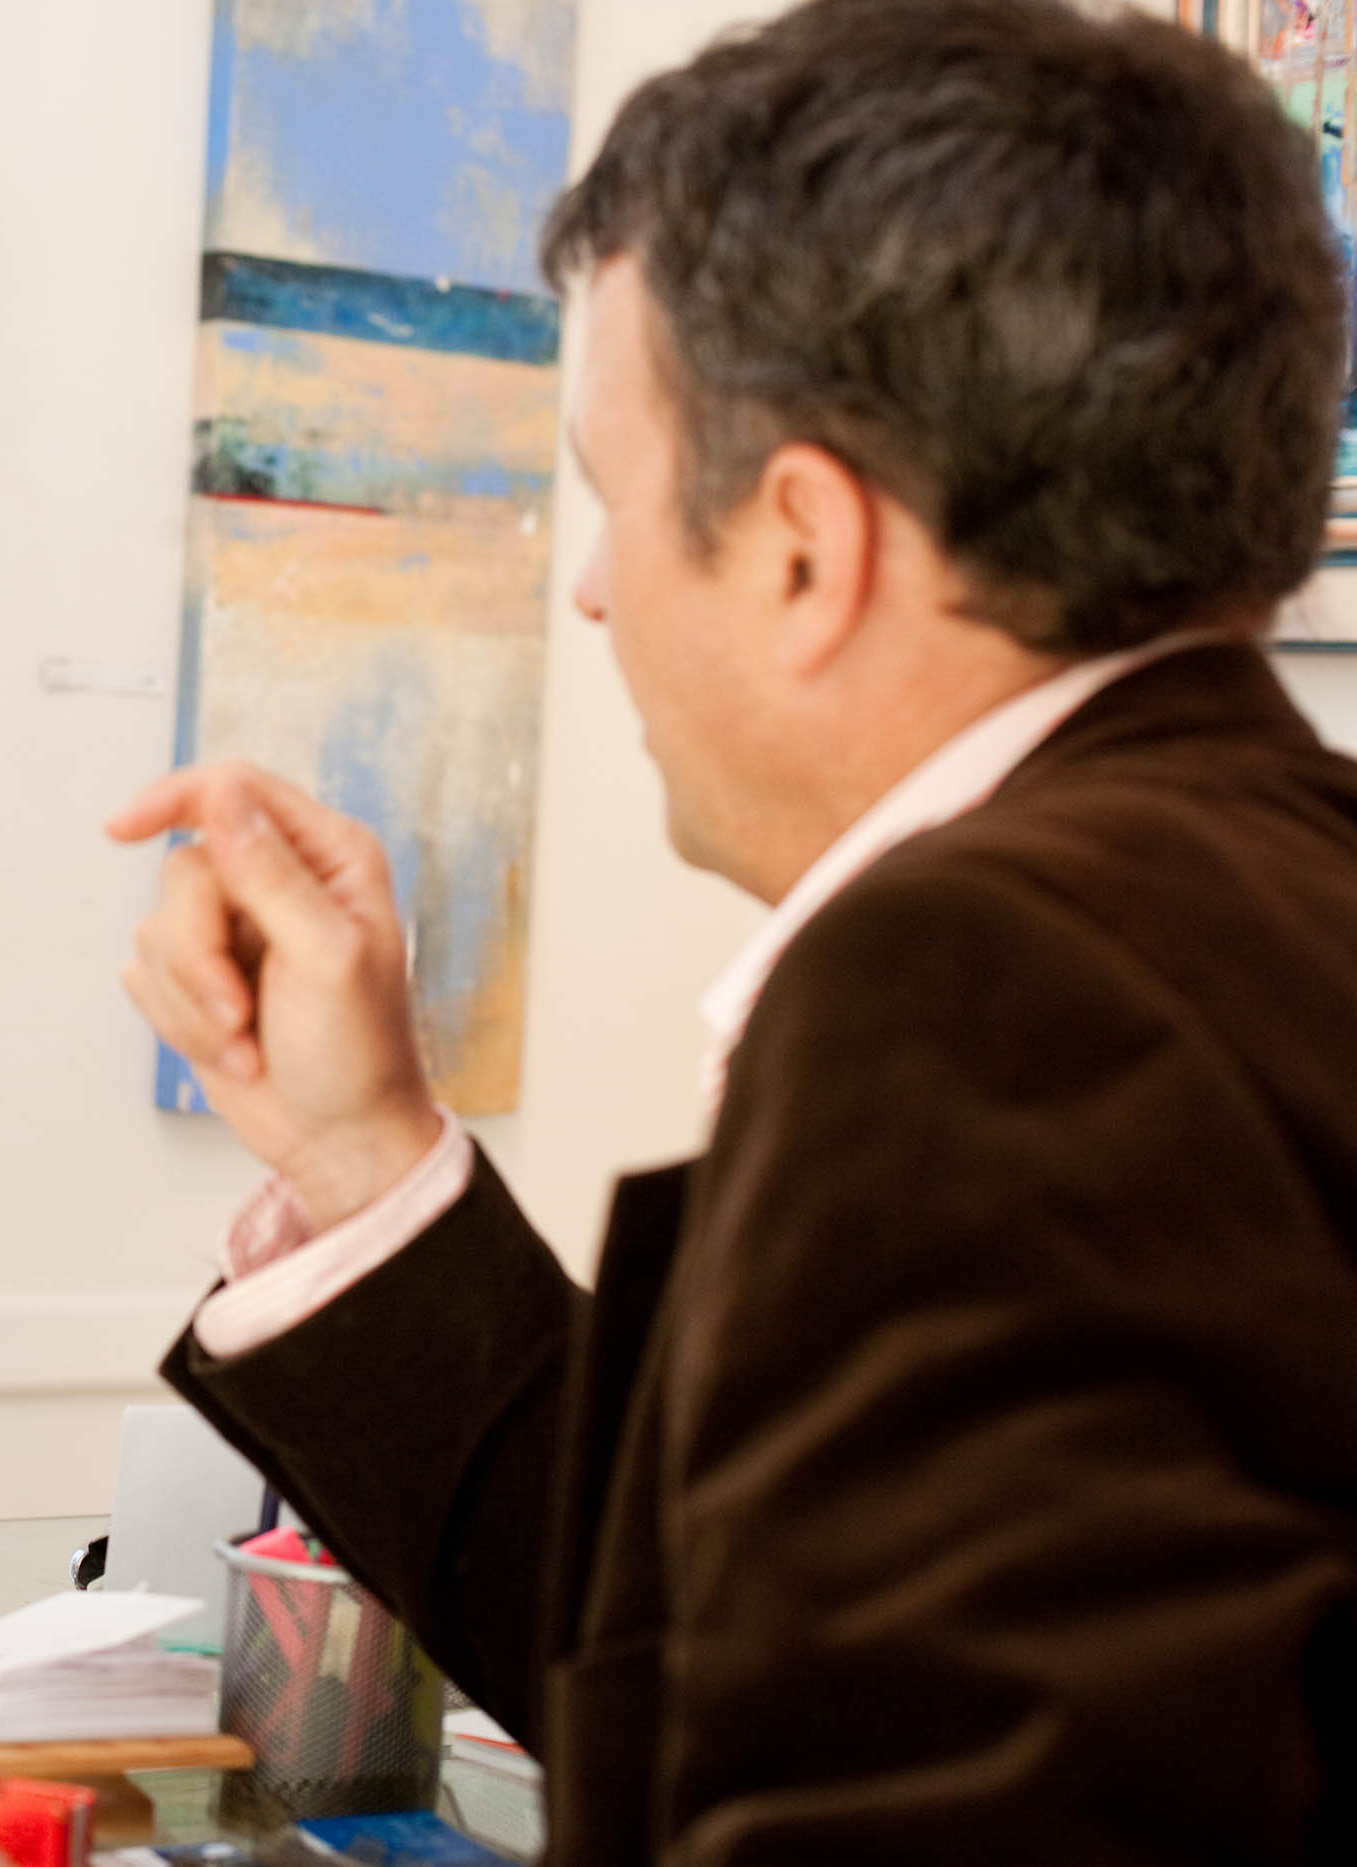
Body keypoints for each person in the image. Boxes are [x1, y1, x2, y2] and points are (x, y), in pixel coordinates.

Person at [111, 1, 1357, 1858]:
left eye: (615, 498)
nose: (597, 592)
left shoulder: (975, 985)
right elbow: (747, 1666)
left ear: (801, 547)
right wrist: (364, 1161)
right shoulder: (1280, 887)